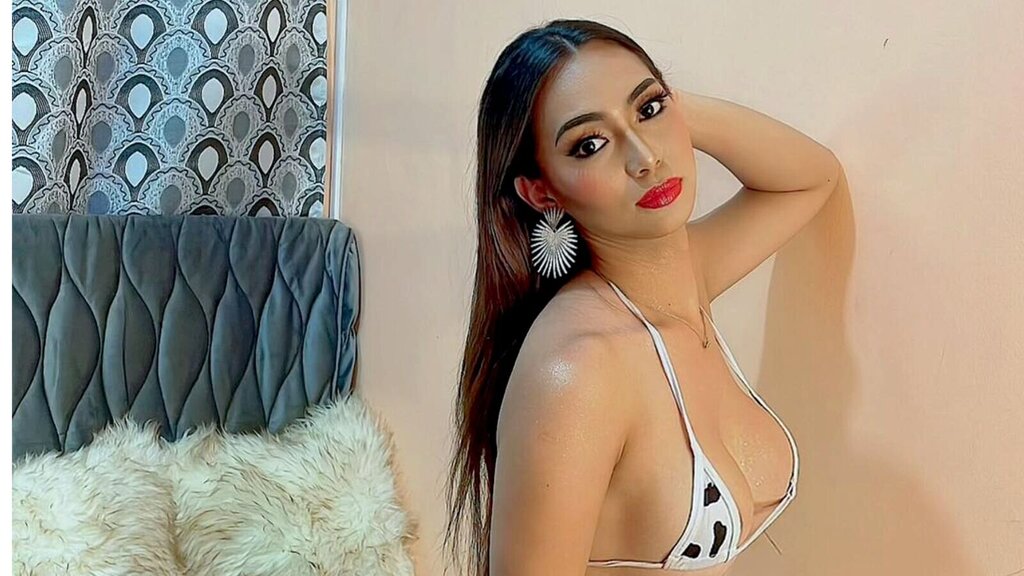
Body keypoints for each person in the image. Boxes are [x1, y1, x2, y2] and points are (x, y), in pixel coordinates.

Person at [445, 18, 842, 576]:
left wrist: (664, 110)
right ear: (541, 191)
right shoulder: (579, 370)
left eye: (648, 109)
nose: (645, 159)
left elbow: (811, 177)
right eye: (590, 144)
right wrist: (645, 110)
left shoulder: (682, 280)